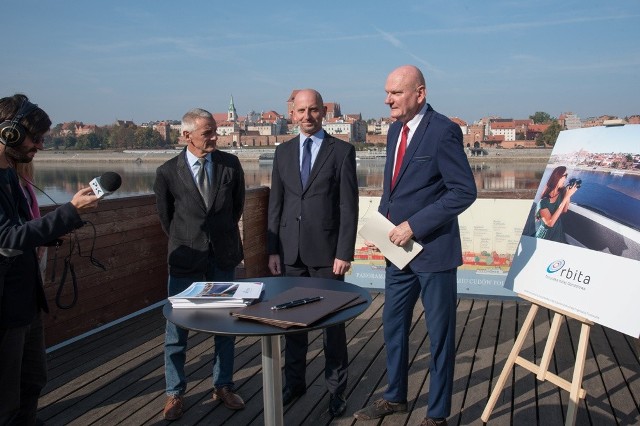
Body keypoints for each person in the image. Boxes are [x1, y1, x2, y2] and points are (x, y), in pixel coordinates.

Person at [353, 66, 477, 426]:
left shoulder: (443, 131)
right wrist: (381, 226)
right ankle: (396, 397)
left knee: (439, 335)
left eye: (395, 93)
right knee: (392, 325)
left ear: (419, 94)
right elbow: (395, 187)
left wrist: (413, 225)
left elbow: (464, 191)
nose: (387, 99)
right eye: (387, 92)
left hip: (434, 252)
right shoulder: (394, 130)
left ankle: (437, 414)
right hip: (397, 253)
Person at [0, 94, 99, 425]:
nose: (40, 146)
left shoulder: (10, 174)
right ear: (9, 133)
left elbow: (20, 229)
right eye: (36, 137)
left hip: (25, 301)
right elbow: (7, 238)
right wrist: (68, 211)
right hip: (4, 311)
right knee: (5, 399)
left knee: (32, 382)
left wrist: (57, 229)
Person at [267, 89, 358, 417]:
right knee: (292, 325)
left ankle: (336, 390)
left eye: (314, 110)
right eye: (301, 110)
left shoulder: (342, 152)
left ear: (324, 113)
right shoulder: (283, 152)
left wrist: (344, 251)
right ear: (292, 114)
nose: (307, 116)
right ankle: (295, 382)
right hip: (289, 253)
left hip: (327, 255)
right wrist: (272, 249)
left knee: (333, 327)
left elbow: (349, 206)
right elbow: (275, 204)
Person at [154, 108, 246, 421]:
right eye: (207, 132)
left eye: (214, 130)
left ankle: (223, 385)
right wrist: (192, 240)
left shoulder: (230, 164)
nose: (214, 137)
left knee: (225, 325)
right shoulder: (167, 172)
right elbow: (167, 218)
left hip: (222, 257)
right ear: (186, 136)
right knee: (176, 330)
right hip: (185, 259)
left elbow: (237, 208)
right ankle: (175, 393)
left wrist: (217, 240)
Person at [15, 162, 48, 279]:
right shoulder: (7, 181)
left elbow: (35, 214)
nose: (39, 147)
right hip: (18, 251)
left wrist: (43, 239)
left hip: (36, 244)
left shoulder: (25, 180)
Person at [534, 165, 578, 243]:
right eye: (565, 175)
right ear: (558, 177)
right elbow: (550, 223)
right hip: (546, 234)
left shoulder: (561, 192)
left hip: (557, 230)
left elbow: (564, 210)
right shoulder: (543, 202)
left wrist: (568, 195)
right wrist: (566, 197)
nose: (566, 178)